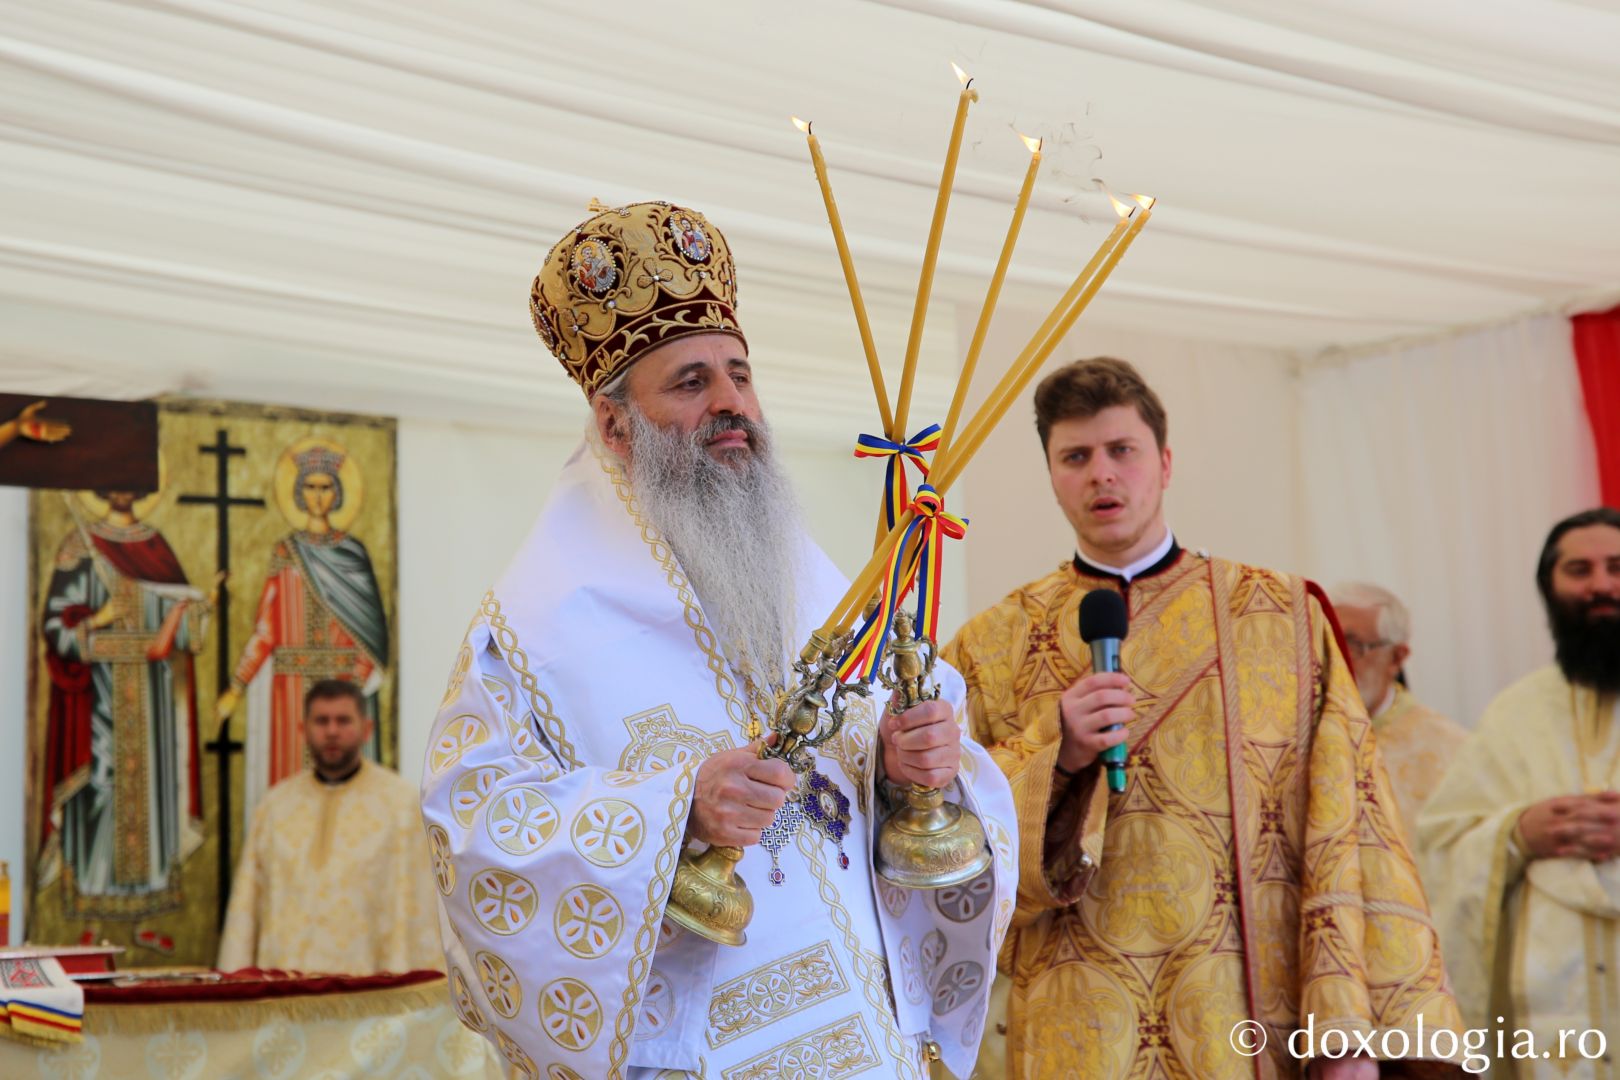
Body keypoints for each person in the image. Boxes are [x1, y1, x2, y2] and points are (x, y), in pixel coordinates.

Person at [421, 201, 1016, 1080]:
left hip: (869, 1040)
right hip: (695, 1055)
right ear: (614, 423)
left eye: (740, 374)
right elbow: (471, 839)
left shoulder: (818, 583)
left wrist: (911, 767)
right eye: (691, 382)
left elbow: (886, 780)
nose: (732, 402)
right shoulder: (536, 626)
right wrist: (671, 815)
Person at [944, 358, 1463, 1079]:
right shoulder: (988, 646)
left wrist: (1346, 1030)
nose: (1102, 475)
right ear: (1052, 475)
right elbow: (945, 834)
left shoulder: (1282, 617)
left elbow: (1351, 824)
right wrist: (1052, 754)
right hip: (1082, 1020)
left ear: (1164, 461)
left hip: (1258, 1016)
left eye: (1121, 451)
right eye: (1076, 457)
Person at [1418, 507, 1620, 1060]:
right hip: (1549, 1023)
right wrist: (1516, 832)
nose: (1601, 584)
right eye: (1579, 570)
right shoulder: (1516, 712)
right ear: (1549, 589)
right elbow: (1440, 845)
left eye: (1617, 567)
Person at [39, 490, 209, 938]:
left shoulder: (156, 546)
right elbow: (55, 627)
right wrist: (97, 620)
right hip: (98, 693)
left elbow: (182, 625)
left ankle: (142, 921)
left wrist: (194, 610)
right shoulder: (78, 547)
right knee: (100, 789)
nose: (121, 488)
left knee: (151, 792)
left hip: (153, 696)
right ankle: (94, 916)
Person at [216, 441, 390, 820]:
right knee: (292, 803)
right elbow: (267, 627)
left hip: (346, 689)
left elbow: (370, 634)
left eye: (325, 487)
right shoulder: (286, 552)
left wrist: (357, 686)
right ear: (298, 493)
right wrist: (237, 686)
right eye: (309, 487)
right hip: (291, 693)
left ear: (338, 493)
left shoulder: (353, 553)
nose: (317, 496)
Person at [218, 678, 440, 975]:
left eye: (343, 720)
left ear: (366, 728)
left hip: (368, 992)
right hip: (288, 993)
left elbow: (418, 908)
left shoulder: (400, 804)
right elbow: (246, 909)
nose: (332, 731)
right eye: (321, 721)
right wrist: (236, 979)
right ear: (303, 730)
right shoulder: (276, 807)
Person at [1328, 582, 1468, 851]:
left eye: (1353, 644)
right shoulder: (1294, 735)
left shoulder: (1450, 751)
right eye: (1327, 641)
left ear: (1396, 657)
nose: (1336, 658)